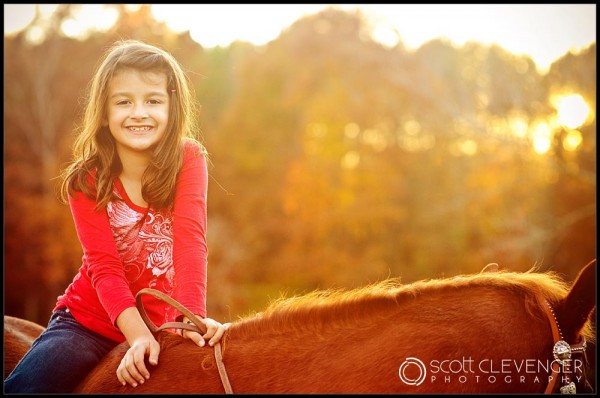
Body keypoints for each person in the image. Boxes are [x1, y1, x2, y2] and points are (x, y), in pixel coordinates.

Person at [4, 39, 226, 393]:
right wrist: (136, 337)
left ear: (172, 108)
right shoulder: (86, 179)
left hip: (164, 325)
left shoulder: (189, 159)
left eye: (153, 101)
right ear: (105, 114)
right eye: (124, 102)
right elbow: (105, 267)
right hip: (87, 325)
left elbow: (190, 243)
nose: (139, 112)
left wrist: (190, 320)